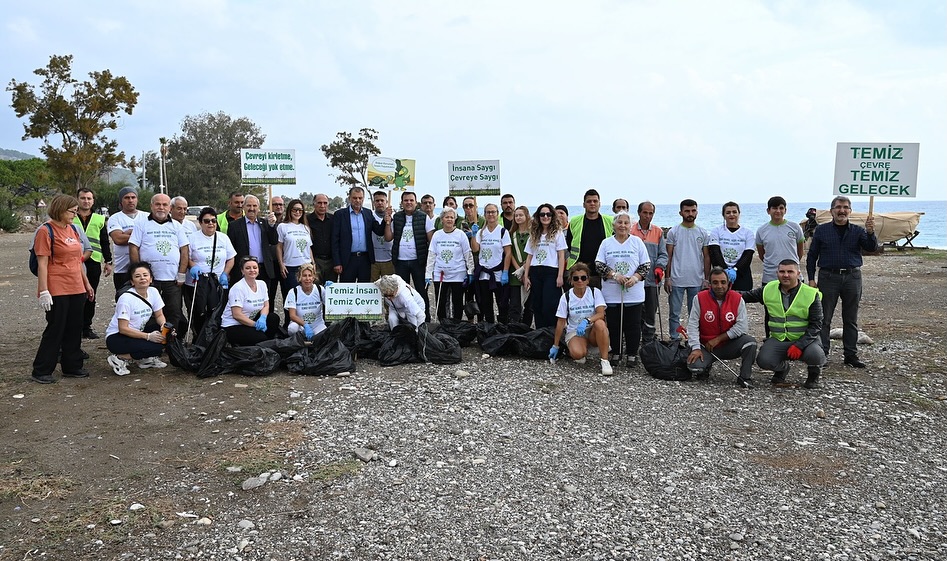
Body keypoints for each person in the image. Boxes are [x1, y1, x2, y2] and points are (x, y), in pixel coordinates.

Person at [805, 195, 877, 368]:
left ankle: (850, 355)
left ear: (850, 211)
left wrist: (870, 232)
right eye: (838, 207)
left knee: (850, 318)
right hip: (828, 277)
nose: (842, 210)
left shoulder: (858, 231)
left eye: (845, 207)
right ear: (832, 211)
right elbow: (812, 255)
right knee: (824, 318)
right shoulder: (822, 230)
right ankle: (822, 353)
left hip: (852, 277)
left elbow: (871, 247)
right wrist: (811, 279)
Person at [30, 194, 95, 383]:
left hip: (76, 286)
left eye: (76, 212)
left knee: (75, 328)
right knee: (56, 328)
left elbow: (77, 260)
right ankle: (41, 369)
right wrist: (43, 291)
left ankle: (72, 366)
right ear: (60, 209)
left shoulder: (73, 229)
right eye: (72, 211)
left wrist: (86, 283)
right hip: (57, 287)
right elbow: (42, 264)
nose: (75, 215)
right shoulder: (45, 231)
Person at [740, 259, 826, 389]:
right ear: (777, 273)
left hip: (805, 340)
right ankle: (782, 369)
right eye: (782, 272)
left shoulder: (811, 294)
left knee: (816, 354)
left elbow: (816, 325)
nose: (785, 275)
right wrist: (722, 292)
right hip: (779, 339)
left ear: (798, 273)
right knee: (764, 360)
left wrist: (799, 345)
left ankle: (813, 375)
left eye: (790, 272)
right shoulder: (769, 289)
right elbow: (745, 296)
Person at [594, 211, 650, 367]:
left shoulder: (637, 242)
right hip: (612, 292)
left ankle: (632, 354)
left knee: (633, 324)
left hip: (634, 293)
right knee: (614, 323)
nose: (623, 226)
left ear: (630, 226)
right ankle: (616, 352)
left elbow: (645, 265)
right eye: (620, 222)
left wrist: (635, 278)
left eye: (626, 223)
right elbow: (599, 264)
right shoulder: (606, 243)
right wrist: (614, 275)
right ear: (614, 225)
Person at [685, 267, 757, 388]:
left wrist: (719, 339)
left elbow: (742, 327)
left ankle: (745, 377)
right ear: (710, 284)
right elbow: (692, 325)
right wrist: (696, 348)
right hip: (706, 346)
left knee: (750, 343)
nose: (719, 286)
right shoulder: (699, 298)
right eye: (715, 282)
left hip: (729, 345)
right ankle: (706, 366)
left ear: (729, 283)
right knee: (694, 368)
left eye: (723, 282)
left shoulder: (738, 299)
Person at [129, 193, 189, 328]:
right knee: (149, 312)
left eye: (164, 205)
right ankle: (152, 340)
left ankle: (172, 342)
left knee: (174, 311)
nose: (161, 208)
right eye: (157, 204)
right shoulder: (141, 224)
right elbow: (133, 247)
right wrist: (137, 272)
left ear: (170, 208)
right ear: (151, 206)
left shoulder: (177, 226)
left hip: (172, 279)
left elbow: (184, 250)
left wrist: (181, 274)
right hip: (150, 279)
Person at [104, 261, 169, 376]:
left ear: (151, 279)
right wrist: (148, 337)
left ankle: (146, 360)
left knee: (165, 337)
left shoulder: (153, 292)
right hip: (117, 337)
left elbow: (159, 315)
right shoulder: (126, 298)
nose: (142, 278)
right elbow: (123, 328)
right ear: (132, 282)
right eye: (137, 276)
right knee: (156, 347)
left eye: (145, 275)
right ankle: (120, 358)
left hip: (137, 331)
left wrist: (163, 325)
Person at [550, 263, 613, 376]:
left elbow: (601, 314)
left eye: (583, 278)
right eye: (576, 278)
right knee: (578, 354)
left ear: (588, 280)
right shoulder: (566, 297)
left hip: (592, 329)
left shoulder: (595, 292)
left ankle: (605, 360)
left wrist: (587, 321)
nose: (580, 281)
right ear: (571, 281)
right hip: (575, 332)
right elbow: (561, 322)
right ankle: (582, 350)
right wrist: (555, 345)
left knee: (600, 323)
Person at [184, 207, 236, 336]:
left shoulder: (223, 238)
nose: (211, 224)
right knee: (199, 311)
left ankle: (214, 337)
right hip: (198, 282)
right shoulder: (192, 238)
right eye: (206, 221)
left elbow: (231, 258)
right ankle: (198, 337)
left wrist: (225, 273)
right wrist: (192, 266)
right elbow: (186, 257)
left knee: (216, 311)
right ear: (200, 223)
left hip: (217, 281)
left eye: (213, 220)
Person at [665, 199, 709, 341]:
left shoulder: (702, 232)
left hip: (696, 280)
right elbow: (668, 256)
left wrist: (706, 279)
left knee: (695, 313)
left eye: (693, 210)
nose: (690, 214)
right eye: (687, 211)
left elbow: (706, 256)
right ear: (681, 212)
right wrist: (667, 278)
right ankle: (674, 339)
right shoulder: (674, 232)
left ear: (697, 212)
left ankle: (693, 340)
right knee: (674, 313)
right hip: (677, 279)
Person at [228, 195, 280, 313]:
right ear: (243, 207)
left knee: (266, 302)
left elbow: (274, 241)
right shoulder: (235, 226)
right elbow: (231, 250)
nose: (252, 208)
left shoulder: (266, 223)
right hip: (245, 271)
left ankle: (266, 327)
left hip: (264, 269)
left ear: (259, 208)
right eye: (249, 205)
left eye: (255, 205)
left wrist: (272, 226)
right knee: (247, 302)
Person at [74, 187, 112, 339]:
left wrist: (108, 262)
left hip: (94, 261)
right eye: (83, 198)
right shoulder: (70, 217)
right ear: (77, 199)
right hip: (74, 262)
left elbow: (104, 242)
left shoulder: (100, 219)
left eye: (89, 198)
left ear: (93, 201)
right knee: (76, 295)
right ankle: (74, 326)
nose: (86, 201)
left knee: (91, 295)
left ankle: (86, 327)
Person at [331, 186, 390, 283]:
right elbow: (335, 240)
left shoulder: (368, 213)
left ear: (363, 198)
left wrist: (385, 220)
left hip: (365, 260)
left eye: (360, 198)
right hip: (347, 259)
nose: (357, 200)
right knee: (347, 289)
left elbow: (379, 231)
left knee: (364, 290)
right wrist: (337, 262)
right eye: (355, 198)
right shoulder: (340, 215)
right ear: (349, 198)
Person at [522, 204, 567, 329]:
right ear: (538, 216)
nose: (545, 217)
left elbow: (561, 256)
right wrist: (526, 276)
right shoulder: (534, 234)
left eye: (548, 214)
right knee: (537, 305)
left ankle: (552, 333)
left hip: (551, 271)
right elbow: (529, 257)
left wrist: (560, 276)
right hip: (536, 271)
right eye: (542, 214)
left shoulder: (558, 233)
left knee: (550, 305)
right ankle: (540, 332)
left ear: (552, 216)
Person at [425, 207, 474, 321]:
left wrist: (470, 271)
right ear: (442, 219)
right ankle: (443, 323)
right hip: (440, 274)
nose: (449, 219)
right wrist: (428, 274)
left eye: (452, 217)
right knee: (441, 302)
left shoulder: (461, 234)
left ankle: (456, 324)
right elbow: (431, 255)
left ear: (455, 219)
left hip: (458, 273)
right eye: (447, 217)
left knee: (457, 302)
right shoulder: (437, 235)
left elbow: (468, 254)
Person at [391, 191, 432, 321]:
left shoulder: (424, 217)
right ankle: (405, 320)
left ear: (416, 202)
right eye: (406, 200)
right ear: (402, 202)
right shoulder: (396, 217)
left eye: (411, 200)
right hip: (400, 261)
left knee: (421, 291)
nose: (408, 203)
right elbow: (388, 238)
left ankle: (425, 319)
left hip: (418, 261)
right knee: (401, 293)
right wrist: (387, 222)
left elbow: (431, 240)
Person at [631, 201, 667, 343]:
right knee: (636, 311)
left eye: (650, 213)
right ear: (639, 213)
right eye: (645, 213)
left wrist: (660, 266)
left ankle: (649, 340)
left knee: (651, 312)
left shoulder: (658, 232)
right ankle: (634, 339)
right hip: (635, 280)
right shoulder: (631, 231)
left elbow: (663, 254)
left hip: (653, 279)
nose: (647, 216)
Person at [221, 256, 280, 345]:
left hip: (250, 319)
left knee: (273, 318)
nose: (252, 270)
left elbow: (266, 305)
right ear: (242, 271)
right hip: (234, 325)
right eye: (248, 268)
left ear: (258, 270)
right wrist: (255, 324)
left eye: (255, 267)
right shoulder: (238, 288)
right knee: (261, 339)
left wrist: (263, 318)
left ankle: (267, 344)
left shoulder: (262, 284)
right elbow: (237, 315)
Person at [566, 189, 613, 288]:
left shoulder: (610, 221)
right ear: (584, 204)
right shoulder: (574, 222)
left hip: (603, 270)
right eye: (589, 201)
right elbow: (569, 244)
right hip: (579, 271)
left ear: (599, 204)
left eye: (595, 201)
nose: (592, 204)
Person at [277, 198, 315, 317]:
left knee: (305, 297)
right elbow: (279, 247)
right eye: (295, 209)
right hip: (290, 267)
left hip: (306, 266)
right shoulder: (283, 226)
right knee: (291, 298)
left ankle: (306, 322)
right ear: (290, 210)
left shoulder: (305, 228)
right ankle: (290, 325)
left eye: (301, 210)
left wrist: (312, 263)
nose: (298, 212)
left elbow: (309, 247)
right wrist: (281, 264)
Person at [475, 203, 512, 323]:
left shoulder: (502, 231)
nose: (491, 214)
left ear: (497, 214)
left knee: (502, 303)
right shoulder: (481, 232)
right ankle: (489, 328)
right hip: (484, 274)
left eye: (493, 212)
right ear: (484, 214)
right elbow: (475, 249)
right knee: (486, 304)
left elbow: (508, 253)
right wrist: (472, 235)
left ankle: (502, 327)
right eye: (488, 212)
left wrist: (505, 272)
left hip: (498, 273)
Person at [755, 196, 804, 285]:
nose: (778, 211)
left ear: (785, 210)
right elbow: (762, 255)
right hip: (770, 277)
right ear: (768, 211)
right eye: (774, 208)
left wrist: (791, 265)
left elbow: (800, 252)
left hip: (793, 276)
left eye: (781, 208)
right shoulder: (761, 230)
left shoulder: (795, 227)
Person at [708, 201, 755, 291]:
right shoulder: (716, 231)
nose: (731, 215)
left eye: (734, 212)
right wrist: (724, 269)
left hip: (741, 273)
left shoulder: (747, 233)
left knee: (740, 301)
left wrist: (736, 269)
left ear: (739, 214)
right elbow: (715, 252)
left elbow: (748, 254)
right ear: (723, 215)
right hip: (720, 273)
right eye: (728, 212)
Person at [107, 186, 142, 290]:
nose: (130, 200)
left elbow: (151, 239)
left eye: (133, 197)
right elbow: (118, 239)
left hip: (143, 270)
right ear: (121, 201)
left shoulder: (147, 216)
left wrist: (128, 233)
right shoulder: (115, 218)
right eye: (126, 198)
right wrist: (141, 235)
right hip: (122, 270)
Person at [284, 263, 327, 338]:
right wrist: (305, 325)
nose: (307, 279)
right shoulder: (293, 292)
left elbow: (332, 305)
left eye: (310, 275)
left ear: (313, 277)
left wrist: (332, 291)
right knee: (292, 329)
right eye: (304, 276)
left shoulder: (320, 289)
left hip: (317, 325)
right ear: (300, 277)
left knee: (324, 336)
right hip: (300, 325)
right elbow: (292, 315)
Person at [507, 205, 533, 326]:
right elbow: (509, 253)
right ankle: (514, 328)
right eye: (516, 215)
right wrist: (519, 270)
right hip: (516, 274)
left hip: (530, 271)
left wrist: (526, 270)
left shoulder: (533, 234)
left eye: (521, 215)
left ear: (527, 216)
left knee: (529, 305)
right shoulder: (511, 234)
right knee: (515, 304)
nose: (518, 217)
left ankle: (526, 328)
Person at [306, 193, 336, 285]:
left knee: (330, 290)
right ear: (314, 204)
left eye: (325, 203)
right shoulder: (306, 219)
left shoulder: (333, 219)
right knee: (316, 289)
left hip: (331, 261)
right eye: (319, 203)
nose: (322, 206)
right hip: (315, 260)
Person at [370, 190, 395, 281]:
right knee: (372, 287)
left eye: (382, 200)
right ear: (373, 202)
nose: (380, 203)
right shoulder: (370, 216)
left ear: (386, 202)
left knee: (388, 288)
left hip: (389, 259)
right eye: (377, 201)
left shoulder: (394, 217)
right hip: (373, 260)